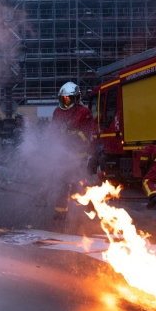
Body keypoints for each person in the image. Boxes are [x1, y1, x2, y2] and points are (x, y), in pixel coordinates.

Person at [51, 82, 94, 221]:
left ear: (76, 98)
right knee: (62, 183)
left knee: (80, 182)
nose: (66, 101)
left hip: (78, 155)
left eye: (69, 98)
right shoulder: (57, 111)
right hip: (61, 155)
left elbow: (87, 134)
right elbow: (53, 131)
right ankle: (61, 212)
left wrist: (70, 134)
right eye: (63, 98)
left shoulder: (84, 112)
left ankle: (90, 205)